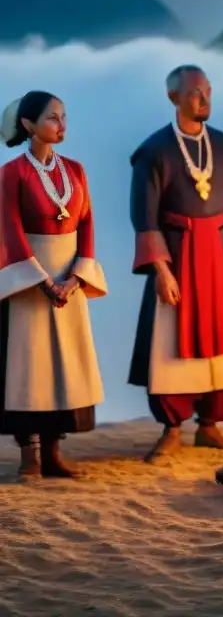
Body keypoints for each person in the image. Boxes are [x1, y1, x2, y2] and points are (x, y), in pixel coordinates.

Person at [128, 65, 223, 463]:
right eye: (194, 94)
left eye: (207, 92)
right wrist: (161, 270)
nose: (204, 100)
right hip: (177, 255)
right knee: (169, 342)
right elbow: (144, 216)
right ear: (173, 98)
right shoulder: (153, 152)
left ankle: (210, 426)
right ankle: (171, 427)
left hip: (220, 254)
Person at [0, 91, 107, 478]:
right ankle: (29, 453)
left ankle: (54, 452)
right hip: (29, 281)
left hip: (67, 280)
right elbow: (9, 229)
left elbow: (88, 223)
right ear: (28, 125)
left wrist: (75, 277)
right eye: (52, 119)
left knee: (64, 363)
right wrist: (41, 280)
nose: (62, 126)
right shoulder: (12, 172)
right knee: (30, 365)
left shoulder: (75, 170)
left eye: (64, 117)